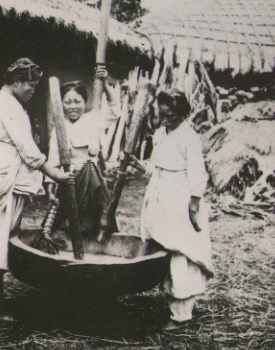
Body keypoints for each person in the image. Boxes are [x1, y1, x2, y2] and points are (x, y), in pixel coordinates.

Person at [0, 58, 74, 323]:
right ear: (16, 82)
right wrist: (55, 174)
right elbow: (26, 147)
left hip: (7, 173)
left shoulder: (12, 103)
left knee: (5, 235)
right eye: (30, 85)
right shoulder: (6, 104)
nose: (33, 90)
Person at [134, 89, 214, 330]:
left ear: (183, 114)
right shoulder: (160, 134)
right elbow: (156, 167)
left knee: (181, 251)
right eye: (162, 115)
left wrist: (193, 206)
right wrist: (138, 165)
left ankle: (181, 314)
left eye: (171, 116)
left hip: (180, 196)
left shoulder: (189, 138)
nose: (165, 120)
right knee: (163, 246)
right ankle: (172, 300)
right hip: (161, 194)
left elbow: (198, 174)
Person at [44, 67, 118, 236]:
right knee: (63, 226)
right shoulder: (59, 129)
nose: (73, 107)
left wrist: (106, 84)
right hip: (69, 181)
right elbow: (52, 162)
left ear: (85, 102)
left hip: (93, 182)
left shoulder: (93, 119)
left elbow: (114, 110)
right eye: (68, 102)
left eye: (77, 101)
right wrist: (49, 190)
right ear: (61, 104)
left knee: (99, 223)